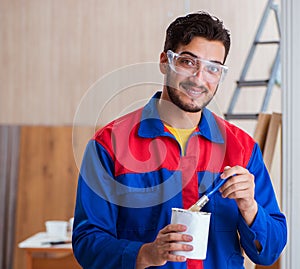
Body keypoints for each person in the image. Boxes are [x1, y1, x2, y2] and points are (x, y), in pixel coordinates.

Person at [72, 11, 287, 269]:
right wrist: (144, 254)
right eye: (188, 62)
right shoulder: (109, 146)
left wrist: (250, 208)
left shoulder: (241, 148)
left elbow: (270, 251)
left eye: (212, 68)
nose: (199, 78)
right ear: (165, 62)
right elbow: (87, 242)